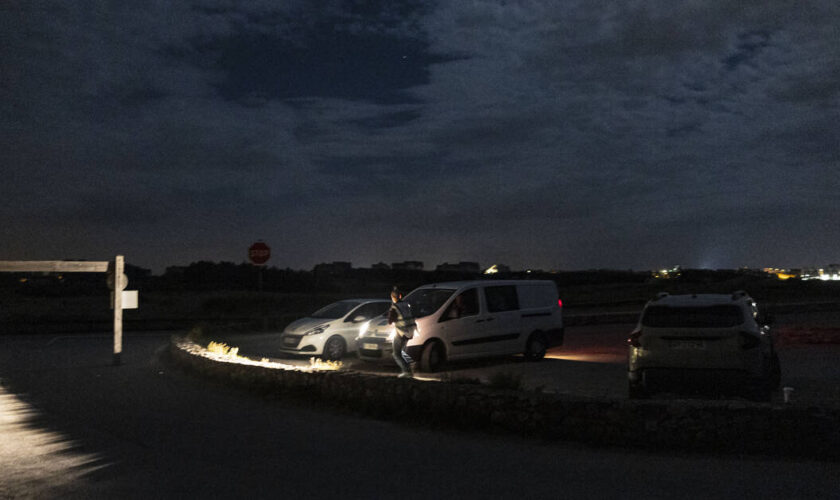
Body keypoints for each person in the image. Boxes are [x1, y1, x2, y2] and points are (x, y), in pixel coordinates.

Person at [388, 286, 415, 378]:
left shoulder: (395, 307)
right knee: (402, 352)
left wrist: (391, 310)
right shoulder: (406, 305)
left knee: (396, 353)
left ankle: (406, 371)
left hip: (401, 333)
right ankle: (410, 367)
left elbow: (390, 321)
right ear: (400, 296)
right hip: (410, 332)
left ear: (392, 297)